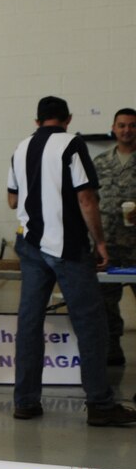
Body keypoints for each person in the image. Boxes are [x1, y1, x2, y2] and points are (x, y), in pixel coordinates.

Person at [7, 95, 136, 426]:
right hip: (67, 246)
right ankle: (99, 404)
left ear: (37, 122)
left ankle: (25, 401)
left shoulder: (20, 148)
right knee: (90, 324)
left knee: (30, 324)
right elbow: (86, 198)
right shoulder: (72, 144)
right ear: (67, 119)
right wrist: (101, 242)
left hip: (30, 246)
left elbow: (12, 199)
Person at [93, 107, 136, 366]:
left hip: (135, 245)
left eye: (132, 125)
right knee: (106, 300)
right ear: (113, 128)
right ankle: (113, 345)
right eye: (122, 125)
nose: (127, 130)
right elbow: (88, 200)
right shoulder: (100, 162)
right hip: (108, 243)